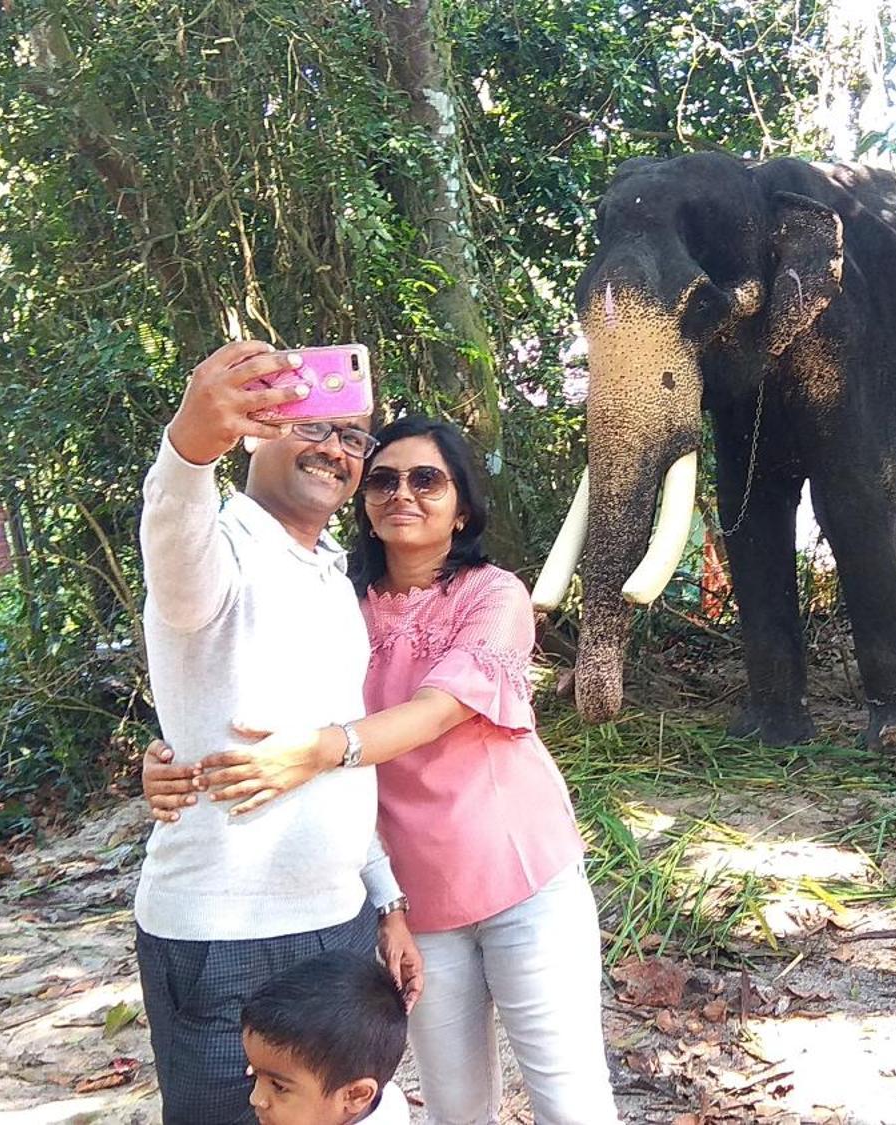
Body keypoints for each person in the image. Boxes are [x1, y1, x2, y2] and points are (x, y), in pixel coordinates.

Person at [145, 414, 620, 1124]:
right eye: (385, 479)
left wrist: (316, 750)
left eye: (427, 479)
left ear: (462, 508)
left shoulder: (494, 596)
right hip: (412, 899)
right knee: (455, 1105)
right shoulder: (337, 592)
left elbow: (436, 710)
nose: (403, 492)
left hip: (521, 878)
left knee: (567, 1094)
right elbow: (236, 688)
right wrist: (173, 758)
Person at [135, 341, 424, 1124]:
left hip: (334, 925)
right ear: (260, 430)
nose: (335, 448)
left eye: (354, 437)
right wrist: (189, 445)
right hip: (223, 936)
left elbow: (335, 760)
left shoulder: (332, 573)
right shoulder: (216, 552)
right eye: (311, 425)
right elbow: (173, 533)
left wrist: (385, 900)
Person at [242, 950, 412, 1125]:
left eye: (278, 1086)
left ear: (356, 1095)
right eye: (255, 1074)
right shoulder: (388, 1100)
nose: (255, 1098)